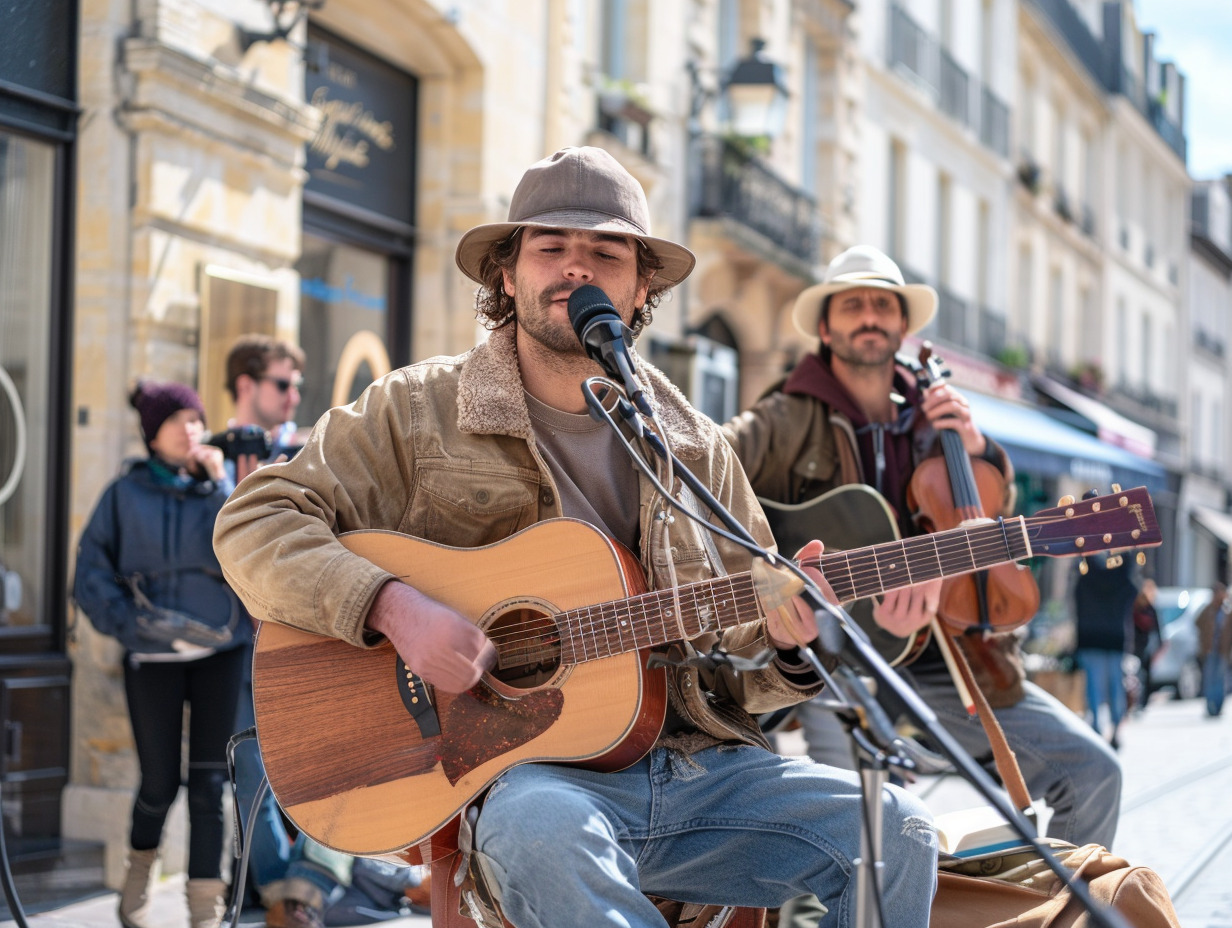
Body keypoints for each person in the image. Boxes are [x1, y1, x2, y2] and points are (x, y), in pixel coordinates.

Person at [214, 147, 939, 928]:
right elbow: (253, 521)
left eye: (604, 253)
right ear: (506, 273)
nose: (575, 269)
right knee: (544, 829)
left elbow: (745, 672)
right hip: (527, 789)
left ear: (641, 286)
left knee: (898, 833)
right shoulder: (418, 409)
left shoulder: (694, 448)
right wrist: (390, 606)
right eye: (550, 248)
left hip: (698, 771)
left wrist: (791, 645)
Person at [723, 245, 1122, 926]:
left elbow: (982, 529)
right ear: (826, 327)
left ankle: (1047, 917)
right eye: (853, 305)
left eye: (884, 305)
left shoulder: (938, 419)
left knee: (1095, 772)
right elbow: (706, 471)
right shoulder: (788, 416)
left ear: (903, 326)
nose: (870, 317)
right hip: (829, 662)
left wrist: (980, 452)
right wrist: (776, 580)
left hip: (949, 663)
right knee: (863, 826)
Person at [222, 334, 428, 928]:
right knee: (249, 770)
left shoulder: (311, 450)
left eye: (296, 386)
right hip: (233, 641)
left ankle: (309, 889)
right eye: (282, 385)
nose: (293, 398)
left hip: (314, 635)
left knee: (339, 760)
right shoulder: (209, 450)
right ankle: (279, 896)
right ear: (246, 385)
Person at [73, 380, 249, 928]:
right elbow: (90, 573)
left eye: (196, 419)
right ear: (152, 433)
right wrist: (131, 628)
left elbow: (247, 545)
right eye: (176, 420)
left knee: (209, 785)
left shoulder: (219, 487)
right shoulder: (124, 495)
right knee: (157, 782)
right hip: (151, 658)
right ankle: (136, 878)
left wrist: (220, 481)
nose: (190, 429)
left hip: (221, 651)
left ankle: (205, 909)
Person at [1072, 554, 1137, 749]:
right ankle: (1116, 726)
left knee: (1093, 688)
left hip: (1090, 638)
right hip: (1114, 639)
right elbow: (1133, 590)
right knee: (1115, 686)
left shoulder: (1085, 581)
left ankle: (1096, 727)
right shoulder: (1123, 582)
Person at [1196, 581, 1232, 718]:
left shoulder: (1227, 611)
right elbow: (1197, 622)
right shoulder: (1208, 610)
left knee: (1221, 678)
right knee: (1209, 678)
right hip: (1210, 650)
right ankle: (1210, 706)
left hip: (1223, 650)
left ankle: (1218, 705)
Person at [1129, 578, 1160, 712]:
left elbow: (1157, 629)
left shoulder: (1148, 608)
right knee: (1137, 675)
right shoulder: (1136, 607)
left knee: (1143, 675)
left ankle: (1142, 701)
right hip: (1138, 645)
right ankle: (1137, 700)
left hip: (1143, 646)